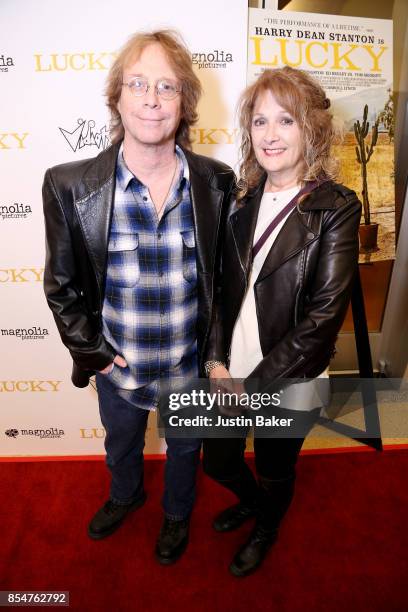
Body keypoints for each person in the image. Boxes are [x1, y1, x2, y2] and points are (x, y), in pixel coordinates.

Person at [42, 29, 234, 565]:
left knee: (185, 452)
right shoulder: (70, 184)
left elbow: (223, 283)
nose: (151, 98)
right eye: (138, 84)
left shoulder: (216, 182)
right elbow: (61, 284)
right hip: (117, 367)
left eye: (167, 87)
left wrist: (214, 356)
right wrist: (92, 352)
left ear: (185, 102)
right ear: (118, 98)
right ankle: (125, 497)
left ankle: (176, 514)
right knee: (121, 445)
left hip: (187, 365)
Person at [202, 66, 362, 577]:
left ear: (310, 128)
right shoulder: (241, 202)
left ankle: (267, 525)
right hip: (228, 374)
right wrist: (215, 361)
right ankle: (251, 503)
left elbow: (321, 320)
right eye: (259, 121)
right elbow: (221, 294)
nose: (270, 134)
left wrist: (255, 386)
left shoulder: (334, 207)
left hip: (289, 379)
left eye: (286, 120)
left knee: (275, 469)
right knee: (219, 462)